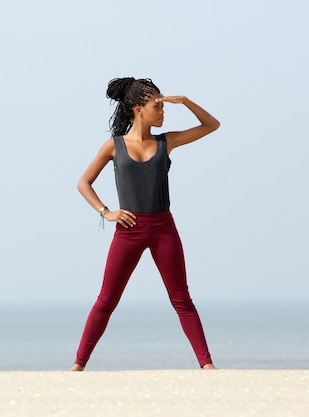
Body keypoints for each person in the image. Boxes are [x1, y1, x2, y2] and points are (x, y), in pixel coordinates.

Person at [70, 77, 220, 371]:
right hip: (128, 231)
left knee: (181, 299)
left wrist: (185, 101)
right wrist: (106, 212)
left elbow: (211, 125)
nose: (163, 111)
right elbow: (83, 183)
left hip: (164, 229)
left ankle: (207, 365)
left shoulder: (168, 141)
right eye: (157, 105)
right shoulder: (113, 146)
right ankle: (78, 366)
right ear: (139, 109)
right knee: (106, 300)